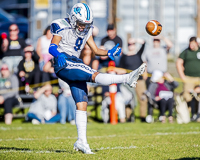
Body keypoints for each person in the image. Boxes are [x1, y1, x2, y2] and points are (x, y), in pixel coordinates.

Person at [49, 3, 146, 154]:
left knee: (82, 103)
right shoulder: (61, 25)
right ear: (73, 18)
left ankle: (82, 141)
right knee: (93, 75)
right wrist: (58, 54)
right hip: (65, 62)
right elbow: (52, 47)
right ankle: (127, 78)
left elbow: (95, 50)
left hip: (75, 62)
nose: (83, 27)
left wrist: (108, 53)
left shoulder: (87, 30)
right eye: (81, 23)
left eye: (86, 24)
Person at [119, 37, 147, 122]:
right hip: (129, 81)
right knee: (129, 99)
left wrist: (135, 40)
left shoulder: (138, 54)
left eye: (132, 44)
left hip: (140, 80)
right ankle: (128, 117)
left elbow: (144, 42)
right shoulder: (124, 57)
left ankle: (143, 117)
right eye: (129, 44)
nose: (131, 46)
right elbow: (121, 69)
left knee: (143, 98)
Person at [176, 36, 200, 121]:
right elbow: (179, 63)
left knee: (198, 97)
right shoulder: (186, 52)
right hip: (189, 78)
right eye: (190, 43)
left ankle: (197, 115)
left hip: (199, 78)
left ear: (197, 43)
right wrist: (182, 77)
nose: (191, 45)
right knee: (187, 96)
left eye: (193, 43)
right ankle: (188, 115)